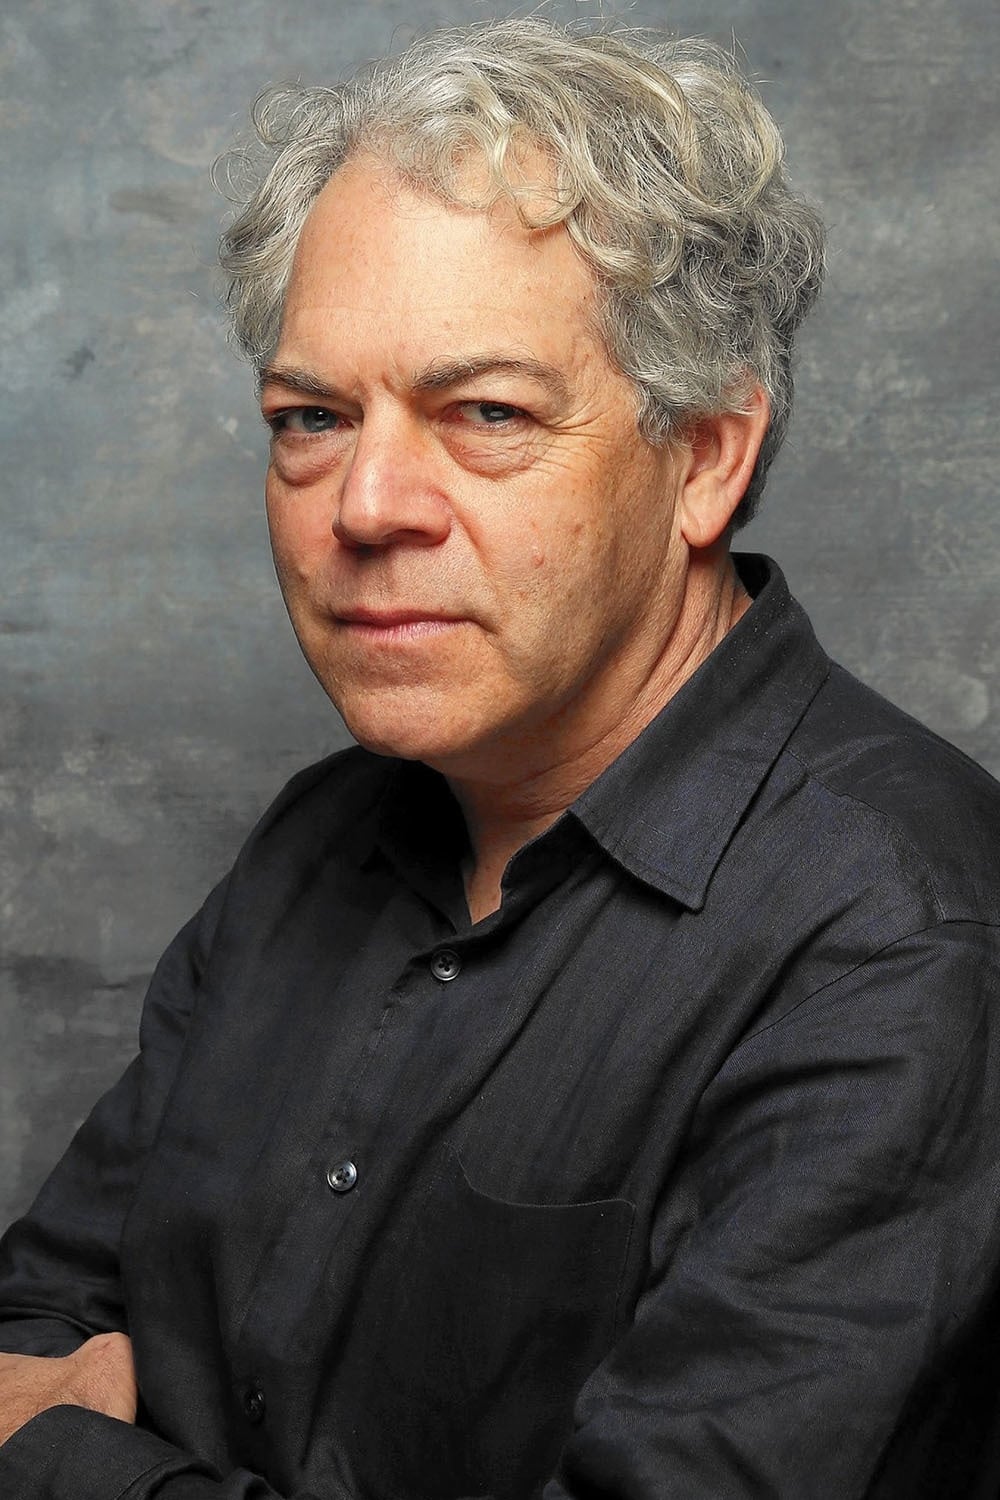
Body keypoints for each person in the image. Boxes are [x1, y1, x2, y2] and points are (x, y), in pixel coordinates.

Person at [2, 16, 1000, 1499]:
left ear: (706, 457)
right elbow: (40, 1312)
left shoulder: (904, 941)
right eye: (310, 417)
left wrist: (65, 1465)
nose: (367, 505)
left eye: (485, 413)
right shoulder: (319, 837)